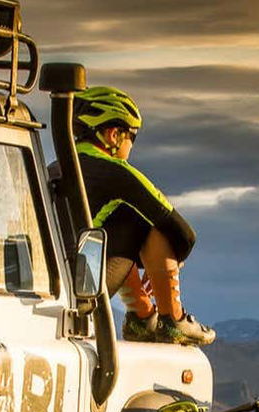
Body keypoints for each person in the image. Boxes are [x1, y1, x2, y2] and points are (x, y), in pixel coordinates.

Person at [72, 86, 215, 345]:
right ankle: (173, 319)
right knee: (144, 221)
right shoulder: (117, 172)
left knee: (108, 222)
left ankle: (142, 314)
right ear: (114, 134)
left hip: (57, 282)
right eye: (132, 136)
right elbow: (184, 234)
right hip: (86, 285)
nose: (131, 145)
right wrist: (163, 261)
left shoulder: (53, 167)